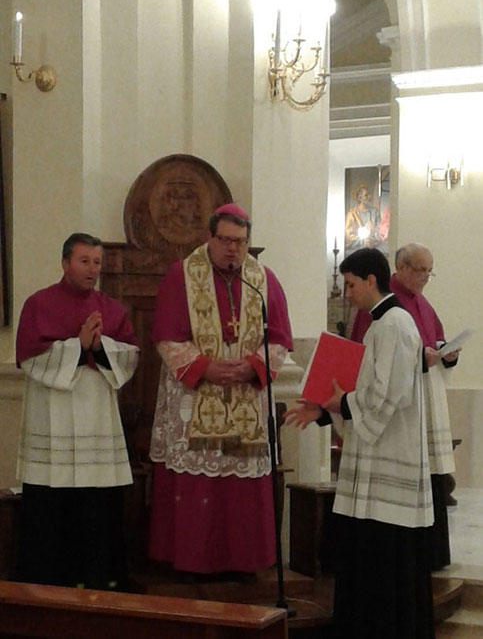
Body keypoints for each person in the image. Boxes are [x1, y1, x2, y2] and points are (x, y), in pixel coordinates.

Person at [285, 248, 434, 639]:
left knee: (386, 565)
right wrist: (322, 410)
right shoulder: (378, 325)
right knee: (367, 560)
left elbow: (390, 395)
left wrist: (340, 403)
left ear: (371, 280)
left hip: (390, 464)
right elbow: (363, 391)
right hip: (372, 461)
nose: (346, 292)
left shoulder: (396, 324)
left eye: (350, 284)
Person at [149, 203, 292, 574]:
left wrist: (252, 367)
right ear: (210, 238)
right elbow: (166, 337)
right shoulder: (181, 275)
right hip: (195, 392)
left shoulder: (263, 280)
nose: (233, 249)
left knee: (239, 482)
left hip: (245, 391)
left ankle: (243, 561)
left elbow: (279, 340)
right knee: (197, 482)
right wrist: (205, 368)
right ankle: (191, 560)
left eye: (241, 242)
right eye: (226, 240)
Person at [15, 233, 139, 590]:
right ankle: (46, 580)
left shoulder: (111, 308)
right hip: (52, 407)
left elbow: (131, 354)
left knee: (96, 498)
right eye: (84, 261)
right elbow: (29, 356)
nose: (92, 269)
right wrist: (77, 345)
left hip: (96, 407)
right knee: (51, 497)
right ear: (65, 262)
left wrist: (101, 348)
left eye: (97, 262)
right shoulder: (38, 304)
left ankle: (99, 577)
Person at [351, 243, 459, 571]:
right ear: (400, 267)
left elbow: (434, 337)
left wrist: (446, 352)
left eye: (429, 271)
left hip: (423, 397)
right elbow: (373, 365)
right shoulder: (386, 309)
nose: (425, 277)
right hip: (398, 412)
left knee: (432, 475)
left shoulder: (420, 304)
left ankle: (435, 553)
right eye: (419, 270)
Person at [345, 183, 382, 252]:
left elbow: (382, 232)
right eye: (366, 195)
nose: (369, 197)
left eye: (369, 194)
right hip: (355, 251)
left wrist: (374, 231)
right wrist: (362, 241)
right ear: (360, 198)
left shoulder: (375, 212)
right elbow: (348, 236)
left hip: (373, 250)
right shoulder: (352, 214)